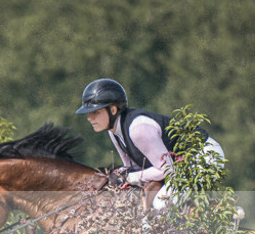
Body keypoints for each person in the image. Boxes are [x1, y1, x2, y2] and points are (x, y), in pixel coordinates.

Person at [74, 78, 225, 210]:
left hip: (203, 156)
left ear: (113, 110)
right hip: (179, 166)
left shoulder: (138, 129)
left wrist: (130, 178)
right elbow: (132, 167)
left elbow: (167, 170)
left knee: (161, 204)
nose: (89, 117)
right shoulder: (113, 131)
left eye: (95, 112)